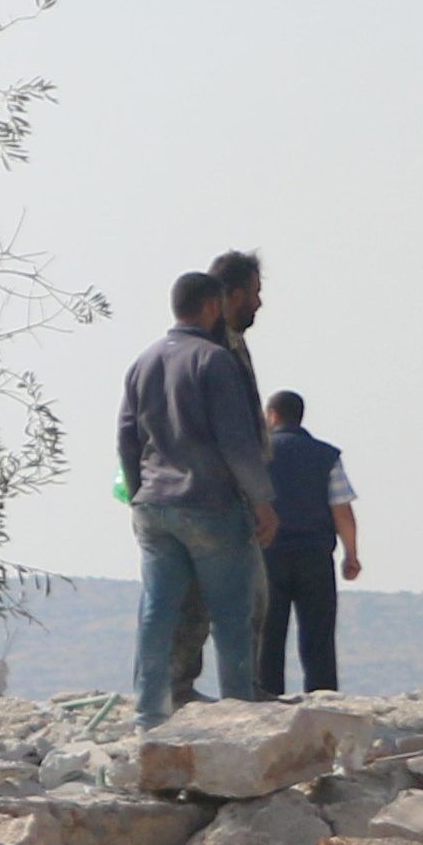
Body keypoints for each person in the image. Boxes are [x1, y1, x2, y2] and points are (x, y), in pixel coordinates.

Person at [120, 269, 273, 721]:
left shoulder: (143, 361)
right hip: (209, 505)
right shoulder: (214, 361)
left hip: (154, 506)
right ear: (211, 307)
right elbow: (236, 442)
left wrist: (138, 492)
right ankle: (240, 716)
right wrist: (262, 500)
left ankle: (150, 715)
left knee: (157, 613)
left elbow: (127, 438)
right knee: (232, 616)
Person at [167, 250, 272, 705]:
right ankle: (182, 691)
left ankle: (243, 690)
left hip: (224, 493)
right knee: (198, 600)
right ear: (229, 296)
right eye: (253, 293)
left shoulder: (229, 344)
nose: (258, 304)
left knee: (251, 598)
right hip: (207, 494)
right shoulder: (206, 351)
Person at [253, 386, 356, 695]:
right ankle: (323, 697)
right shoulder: (326, 456)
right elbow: (342, 510)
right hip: (314, 554)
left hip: (268, 554)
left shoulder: (257, 455)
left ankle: (268, 696)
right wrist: (352, 554)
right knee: (318, 636)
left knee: (268, 635)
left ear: (272, 415)